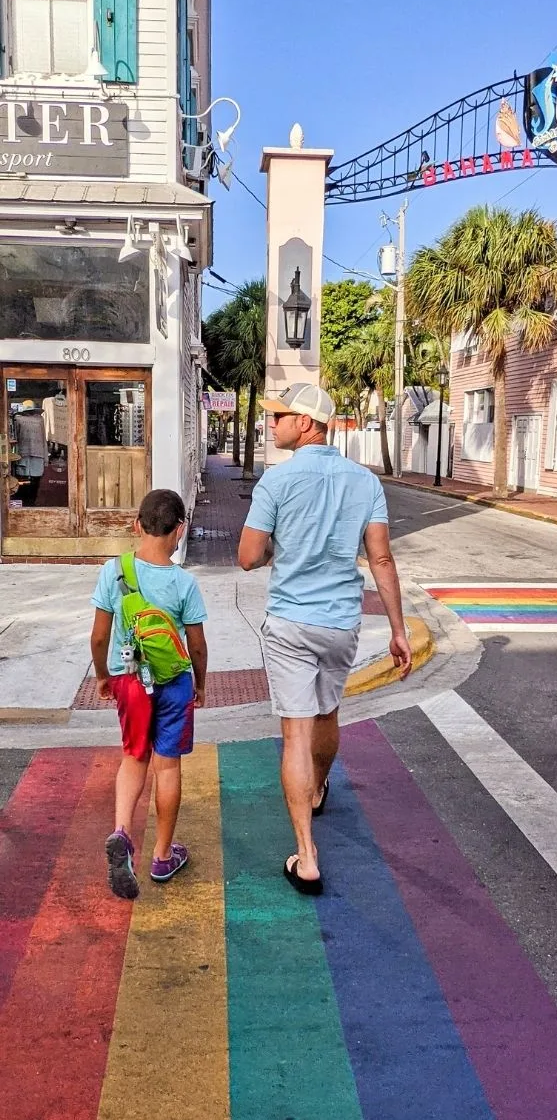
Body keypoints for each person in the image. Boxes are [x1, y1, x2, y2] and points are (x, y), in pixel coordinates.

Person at [237, 382, 412, 897]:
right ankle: (315, 792)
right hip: (341, 622)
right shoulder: (365, 483)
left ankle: (307, 856)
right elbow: (380, 558)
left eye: (280, 417)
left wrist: (280, 551)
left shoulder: (276, 482)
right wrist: (398, 631)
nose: (272, 425)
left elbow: (248, 556)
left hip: (291, 621)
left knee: (295, 733)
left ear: (307, 423)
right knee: (327, 712)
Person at [90, 489, 208, 901]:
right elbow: (196, 644)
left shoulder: (115, 572)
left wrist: (105, 676)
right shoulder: (184, 582)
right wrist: (201, 681)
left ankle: (122, 832)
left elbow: (100, 634)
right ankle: (162, 856)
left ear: (137, 525)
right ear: (180, 530)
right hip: (173, 680)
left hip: (130, 679)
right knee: (168, 766)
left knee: (133, 756)